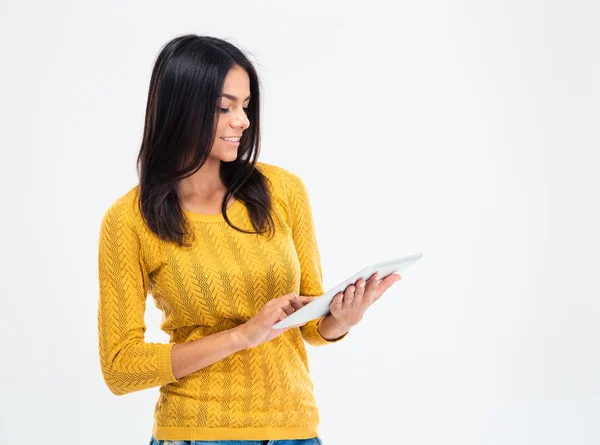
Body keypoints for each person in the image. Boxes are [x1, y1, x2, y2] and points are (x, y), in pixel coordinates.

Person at [97, 34, 401, 445]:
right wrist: (243, 335)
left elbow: (309, 326)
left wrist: (342, 318)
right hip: (196, 434)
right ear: (179, 109)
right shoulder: (129, 220)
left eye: (244, 106)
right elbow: (120, 367)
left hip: (295, 431)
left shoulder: (283, 190)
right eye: (224, 108)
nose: (242, 120)